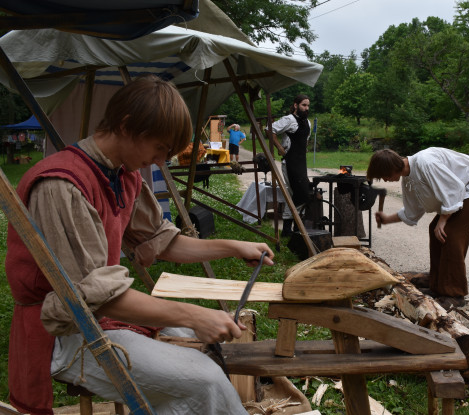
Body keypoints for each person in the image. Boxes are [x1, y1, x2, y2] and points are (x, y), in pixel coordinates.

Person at [5, 75, 274, 415]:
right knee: (204, 377)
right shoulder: (62, 186)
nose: (161, 160)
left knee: (197, 345)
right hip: (62, 333)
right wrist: (194, 314)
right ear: (127, 125)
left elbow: (163, 242)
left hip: (97, 316)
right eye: (160, 148)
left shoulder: (121, 174)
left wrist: (234, 247)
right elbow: (93, 297)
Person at [367, 147, 469, 309]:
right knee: (434, 229)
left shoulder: (426, 162)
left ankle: (454, 294)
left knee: (451, 233)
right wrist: (388, 219)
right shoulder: (409, 178)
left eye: (384, 176)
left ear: (390, 169)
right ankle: (437, 285)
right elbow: (412, 211)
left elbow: (454, 189)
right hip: (463, 191)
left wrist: (443, 219)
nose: (385, 180)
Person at [269, 94, 312, 237]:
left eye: (308, 106)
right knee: (295, 194)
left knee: (302, 193)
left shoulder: (308, 123)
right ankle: (288, 229)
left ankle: (295, 228)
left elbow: (305, 140)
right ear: (295, 105)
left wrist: (303, 149)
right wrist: (279, 147)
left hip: (301, 162)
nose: (306, 108)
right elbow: (270, 129)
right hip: (289, 162)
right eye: (303, 105)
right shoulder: (289, 120)